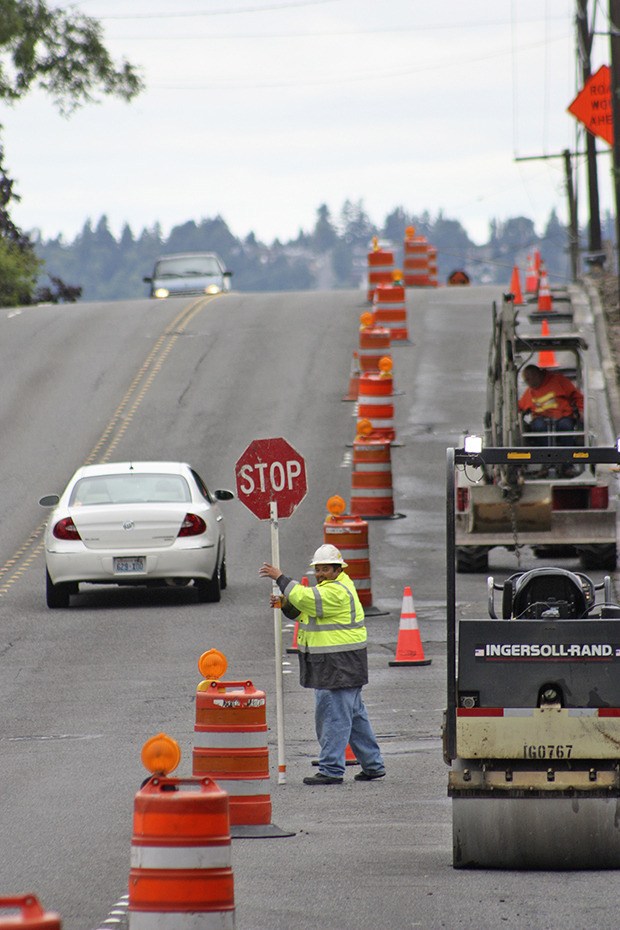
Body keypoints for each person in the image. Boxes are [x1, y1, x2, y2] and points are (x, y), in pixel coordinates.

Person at [259, 543, 385, 786]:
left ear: (338, 569)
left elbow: (306, 598)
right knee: (355, 718)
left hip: (337, 666)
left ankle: (331, 769)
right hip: (344, 664)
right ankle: (373, 765)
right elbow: (305, 612)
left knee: (333, 718)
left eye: (325, 569)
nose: (320, 574)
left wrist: (280, 577)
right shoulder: (333, 589)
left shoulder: (336, 591)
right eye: (318, 570)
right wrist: (285, 604)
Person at [518, 364, 584, 448]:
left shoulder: (559, 381)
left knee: (565, 425)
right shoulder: (530, 391)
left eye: (528, 379)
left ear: (537, 375)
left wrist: (581, 410)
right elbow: (521, 406)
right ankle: (543, 454)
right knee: (539, 426)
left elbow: (577, 397)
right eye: (526, 381)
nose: (528, 383)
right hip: (541, 419)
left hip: (563, 416)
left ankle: (567, 454)